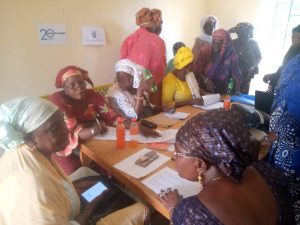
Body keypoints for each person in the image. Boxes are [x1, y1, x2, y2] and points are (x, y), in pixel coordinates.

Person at [0, 97, 149, 225]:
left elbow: (51, 184)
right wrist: (88, 210)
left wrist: (70, 189)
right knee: (143, 208)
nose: (65, 130)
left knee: (88, 174)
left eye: (62, 122)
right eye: (54, 128)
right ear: (30, 139)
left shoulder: (22, 152)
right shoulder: (33, 182)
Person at [159, 109, 294, 225]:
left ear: (200, 164)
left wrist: (173, 208)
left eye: (177, 153)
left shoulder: (192, 213)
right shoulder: (267, 171)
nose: (174, 156)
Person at [49, 66, 117, 174]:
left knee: (110, 164)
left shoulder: (92, 95)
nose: (79, 87)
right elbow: (71, 129)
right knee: (80, 175)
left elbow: (111, 116)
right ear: (64, 87)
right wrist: (94, 130)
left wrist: (133, 125)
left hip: (92, 139)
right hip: (66, 144)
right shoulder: (57, 99)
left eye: (81, 83)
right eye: (73, 85)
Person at [267, 54, 300, 224]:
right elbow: (280, 100)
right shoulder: (296, 61)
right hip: (280, 144)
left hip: (294, 153)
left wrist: (277, 132)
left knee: (290, 200)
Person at [120, 7, 166, 107]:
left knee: (134, 115)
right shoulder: (157, 41)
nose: (161, 26)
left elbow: (122, 64)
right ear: (155, 23)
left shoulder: (129, 39)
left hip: (129, 89)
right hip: (150, 87)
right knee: (153, 117)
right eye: (161, 22)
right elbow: (160, 69)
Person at [106, 59, 161, 137]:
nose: (120, 83)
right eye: (118, 79)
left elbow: (148, 107)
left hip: (139, 127)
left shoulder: (135, 86)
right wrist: (140, 91)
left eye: (123, 79)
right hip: (124, 132)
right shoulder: (115, 93)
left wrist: (163, 108)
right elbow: (133, 117)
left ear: (133, 78)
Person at [194, 29, 242, 94]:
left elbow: (236, 75)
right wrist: (206, 80)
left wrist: (236, 91)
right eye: (214, 42)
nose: (216, 45)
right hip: (206, 90)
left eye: (220, 42)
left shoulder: (231, 55)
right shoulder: (205, 51)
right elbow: (198, 70)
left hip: (225, 91)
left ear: (226, 43)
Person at [263, 24, 300, 93]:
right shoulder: (291, 51)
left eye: (298, 37)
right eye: (293, 36)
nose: (295, 39)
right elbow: (284, 69)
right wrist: (272, 76)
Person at [230, 22, 262, 94]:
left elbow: (259, 57)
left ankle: (240, 104)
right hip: (233, 74)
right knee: (230, 92)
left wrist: (253, 67)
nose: (245, 36)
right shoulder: (233, 43)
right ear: (239, 33)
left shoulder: (254, 43)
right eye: (241, 34)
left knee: (243, 94)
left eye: (248, 33)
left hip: (247, 73)